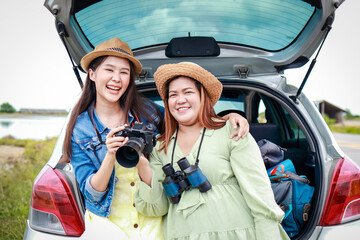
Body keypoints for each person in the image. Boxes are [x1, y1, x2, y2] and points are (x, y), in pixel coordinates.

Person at [62, 38, 249, 239]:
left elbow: (187, 119)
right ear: (92, 74)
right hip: (108, 227)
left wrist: (225, 118)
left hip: (154, 217)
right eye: (109, 70)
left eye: (124, 72)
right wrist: (110, 156)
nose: (116, 78)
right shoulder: (80, 129)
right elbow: (92, 195)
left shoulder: (147, 111)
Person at [134, 62, 290, 240]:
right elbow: (155, 208)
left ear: (203, 96)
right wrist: (142, 165)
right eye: (173, 95)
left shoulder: (232, 132)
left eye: (188, 92)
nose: (180, 100)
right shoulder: (160, 147)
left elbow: (261, 197)